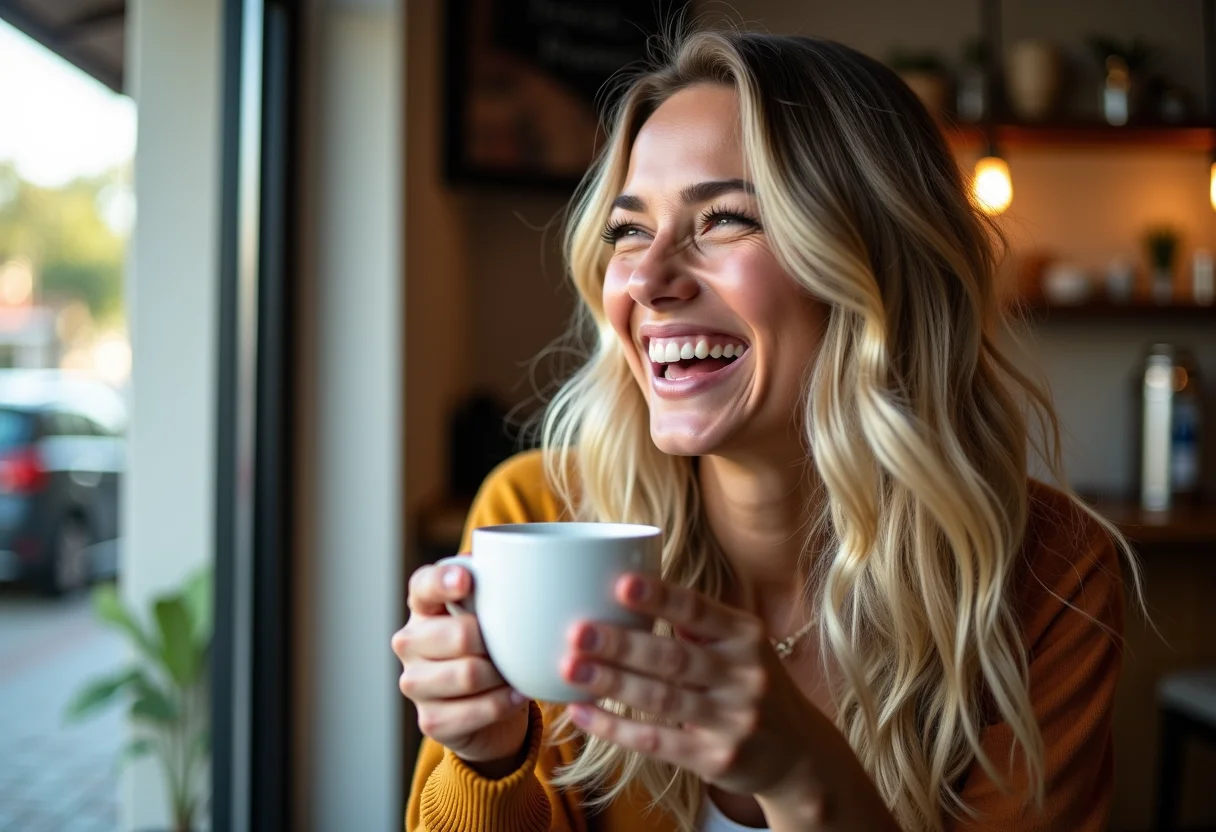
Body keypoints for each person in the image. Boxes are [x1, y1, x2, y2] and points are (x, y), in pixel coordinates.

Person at [394, 29, 1137, 832]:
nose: (645, 277)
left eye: (724, 219)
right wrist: (488, 761)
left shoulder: (1045, 577)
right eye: (629, 230)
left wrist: (803, 779)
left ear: (875, 264)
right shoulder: (537, 513)